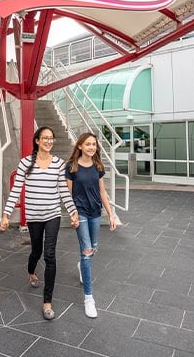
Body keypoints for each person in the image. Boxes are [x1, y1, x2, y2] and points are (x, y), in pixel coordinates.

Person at [1, 126, 78, 320]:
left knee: (50, 255)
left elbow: (63, 191)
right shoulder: (26, 163)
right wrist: (6, 214)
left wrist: (73, 212)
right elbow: (16, 190)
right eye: (45, 138)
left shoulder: (59, 164)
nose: (48, 141)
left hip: (53, 215)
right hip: (34, 217)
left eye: (51, 138)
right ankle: (31, 270)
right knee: (37, 250)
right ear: (37, 141)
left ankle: (47, 301)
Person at [65, 133, 116, 318]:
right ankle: (89, 298)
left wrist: (111, 215)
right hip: (81, 213)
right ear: (79, 146)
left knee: (93, 249)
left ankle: (81, 266)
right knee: (87, 252)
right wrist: (73, 214)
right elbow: (68, 195)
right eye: (88, 144)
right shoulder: (71, 167)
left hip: (96, 212)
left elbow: (102, 192)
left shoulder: (98, 166)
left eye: (94, 144)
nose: (91, 147)